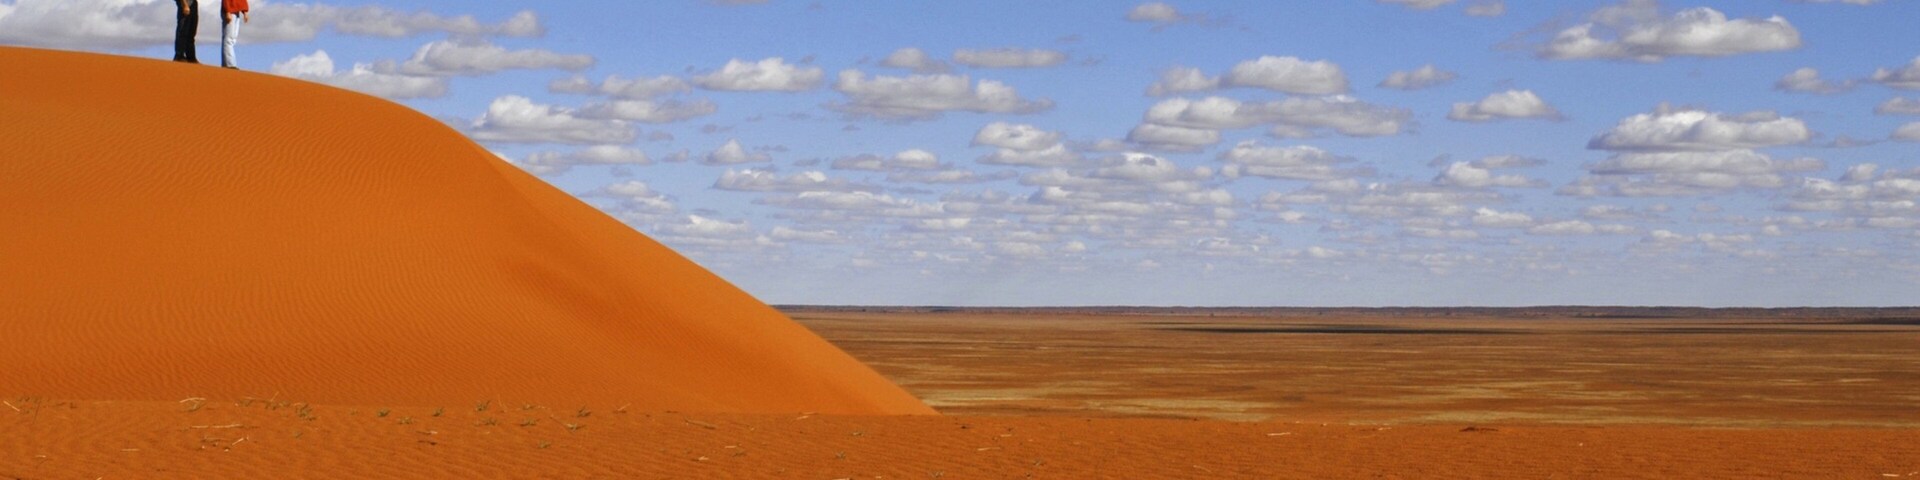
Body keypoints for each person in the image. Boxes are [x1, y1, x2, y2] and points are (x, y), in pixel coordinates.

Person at [220, 0, 249, 69]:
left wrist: (245, 12)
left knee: (232, 39)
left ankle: (226, 64)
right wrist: (227, 11)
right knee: (229, 39)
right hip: (230, 11)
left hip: (236, 11)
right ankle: (230, 64)